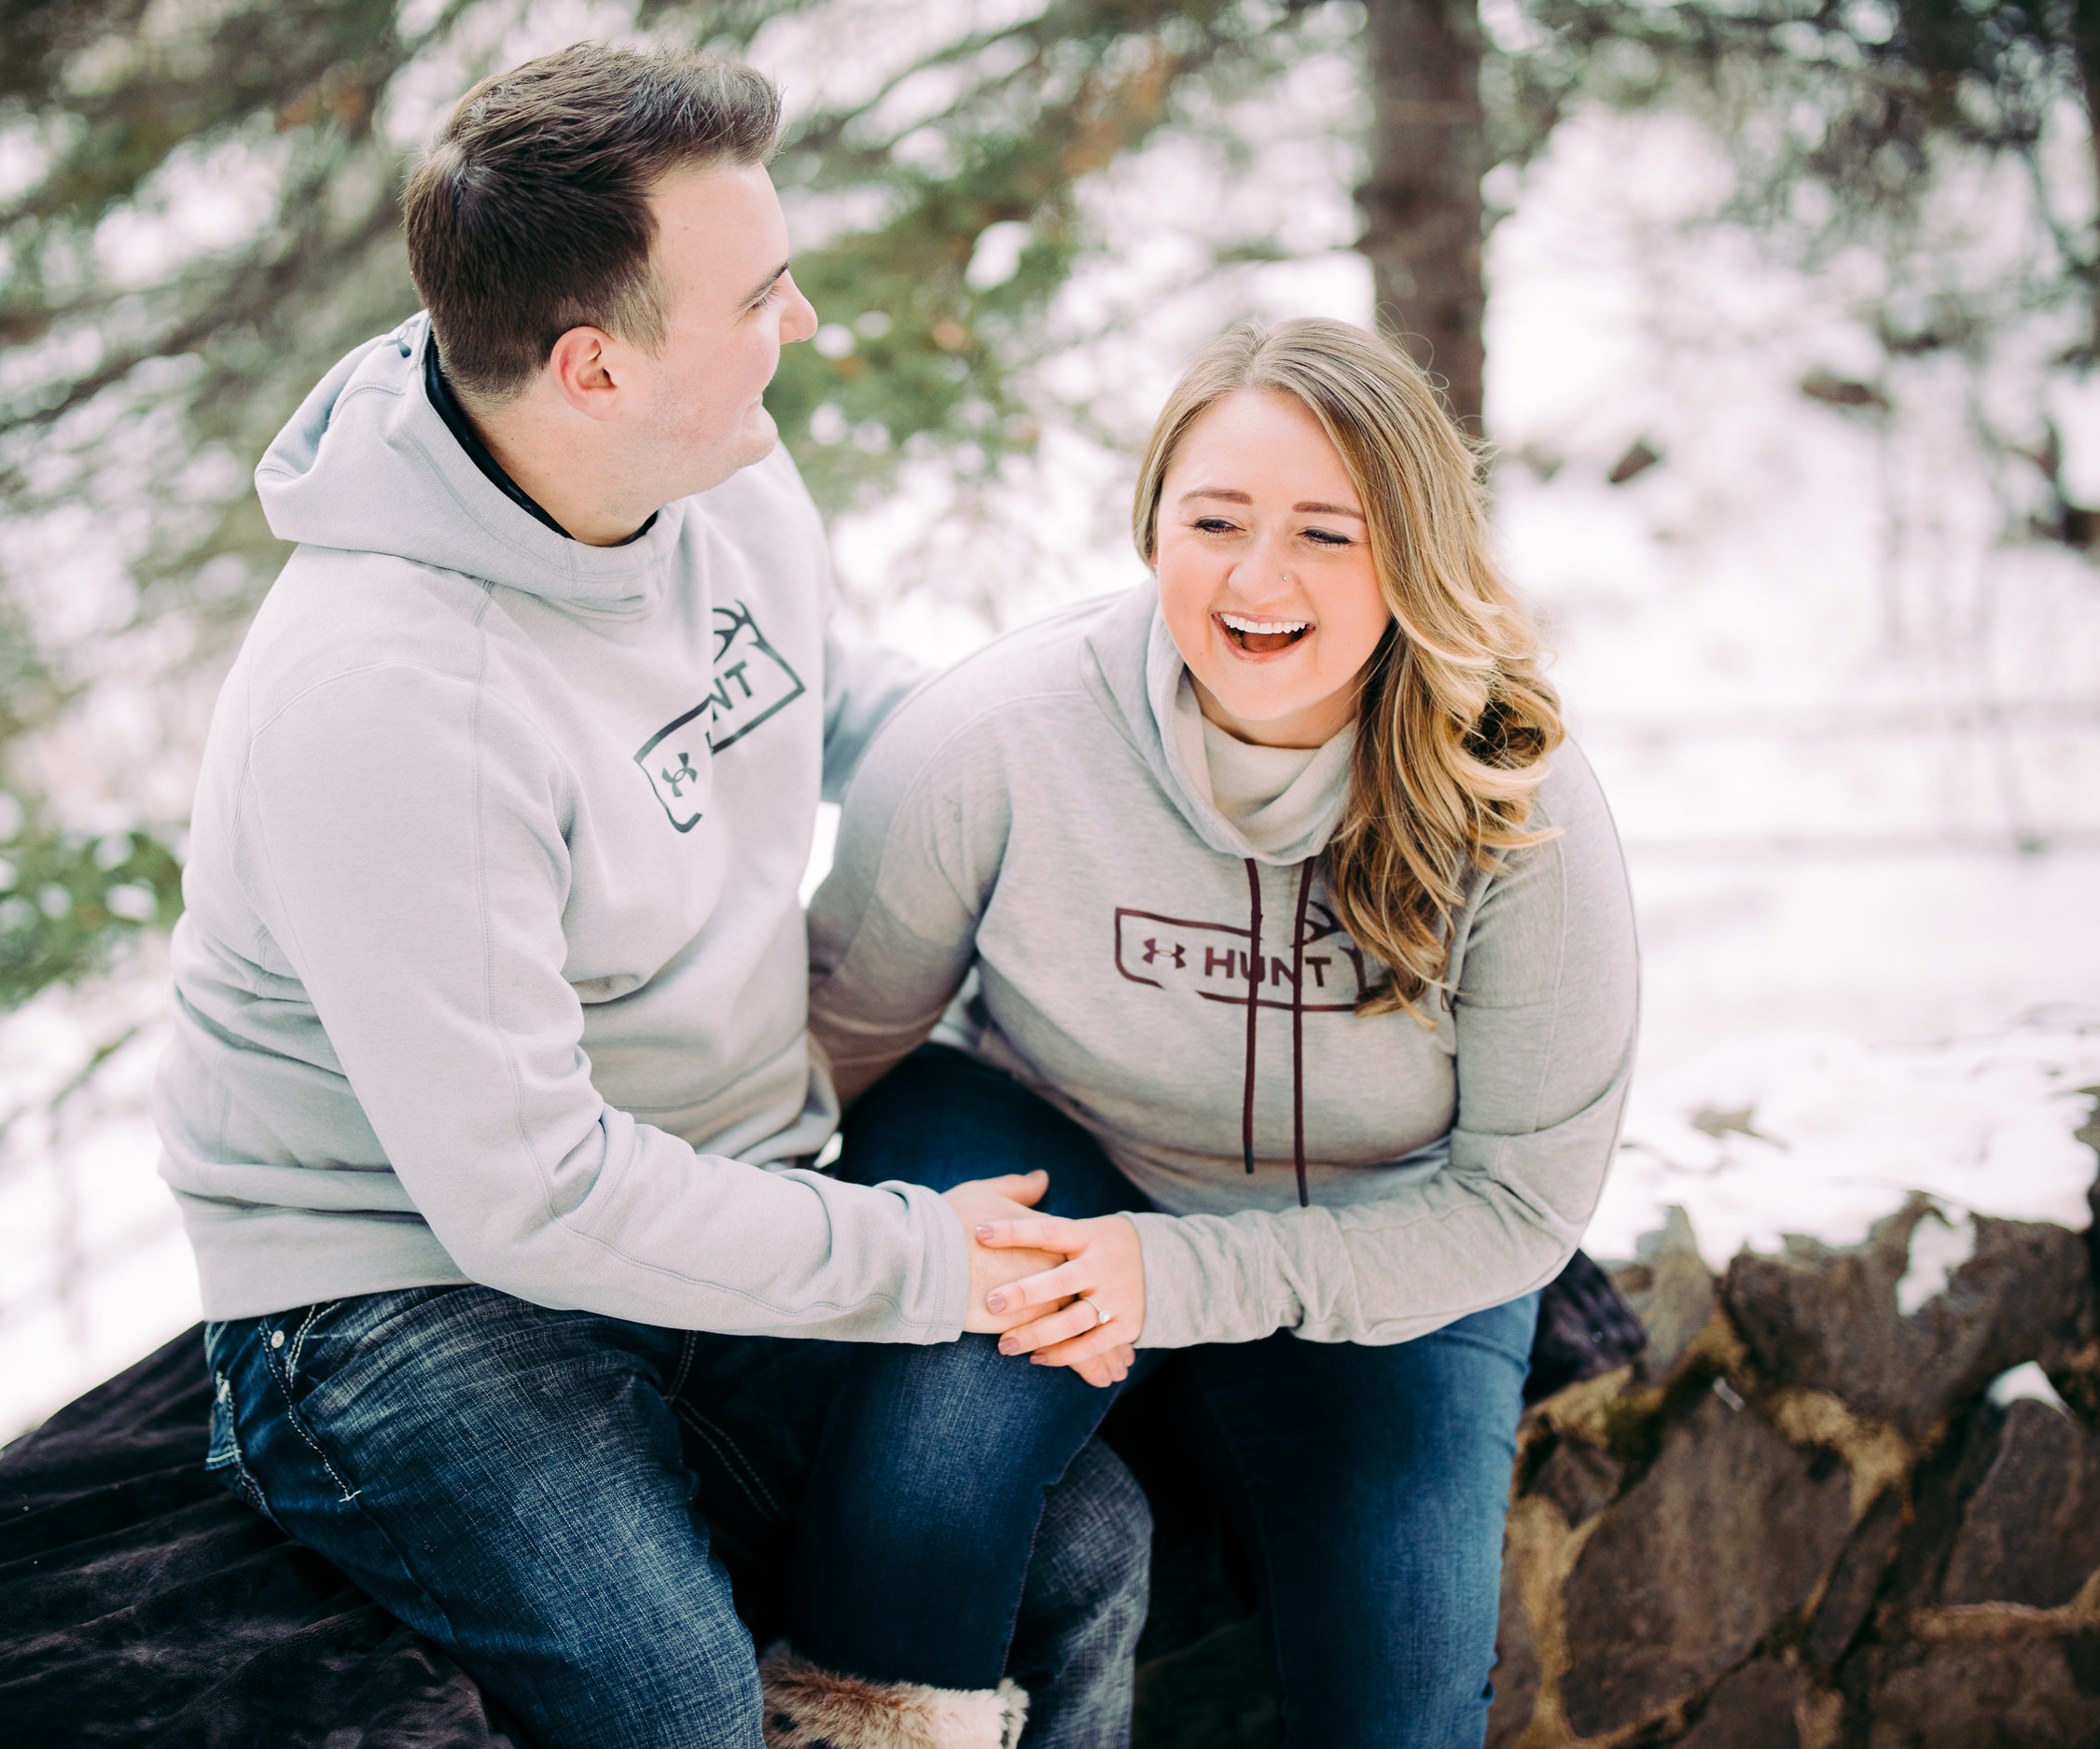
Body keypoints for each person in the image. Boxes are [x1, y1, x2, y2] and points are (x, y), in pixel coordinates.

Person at [156, 43, 1148, 1749]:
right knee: (677, 1702)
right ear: (596, 368)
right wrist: (919, 1258)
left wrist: (1104, 774)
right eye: (762, 292)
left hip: (704, 1191)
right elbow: (526, 1201)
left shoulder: (715, 475)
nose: (809, 321)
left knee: (1083, 1555)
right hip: (401, 1291)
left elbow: (829, 702)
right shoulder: (394, 702)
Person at [802, 317, 1640, 1747]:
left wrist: (1177, 1277)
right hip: (1052, 1141)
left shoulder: (1518, 809)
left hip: (1381, 1251)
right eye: (1215, 520)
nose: (1260, 581)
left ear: (1416, 553)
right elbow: (825, 1051)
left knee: (1402, 1706)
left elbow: (1517, 1206)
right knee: (937, 1442)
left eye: (1329, 531)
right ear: (1151, 530)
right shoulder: (994, 736)